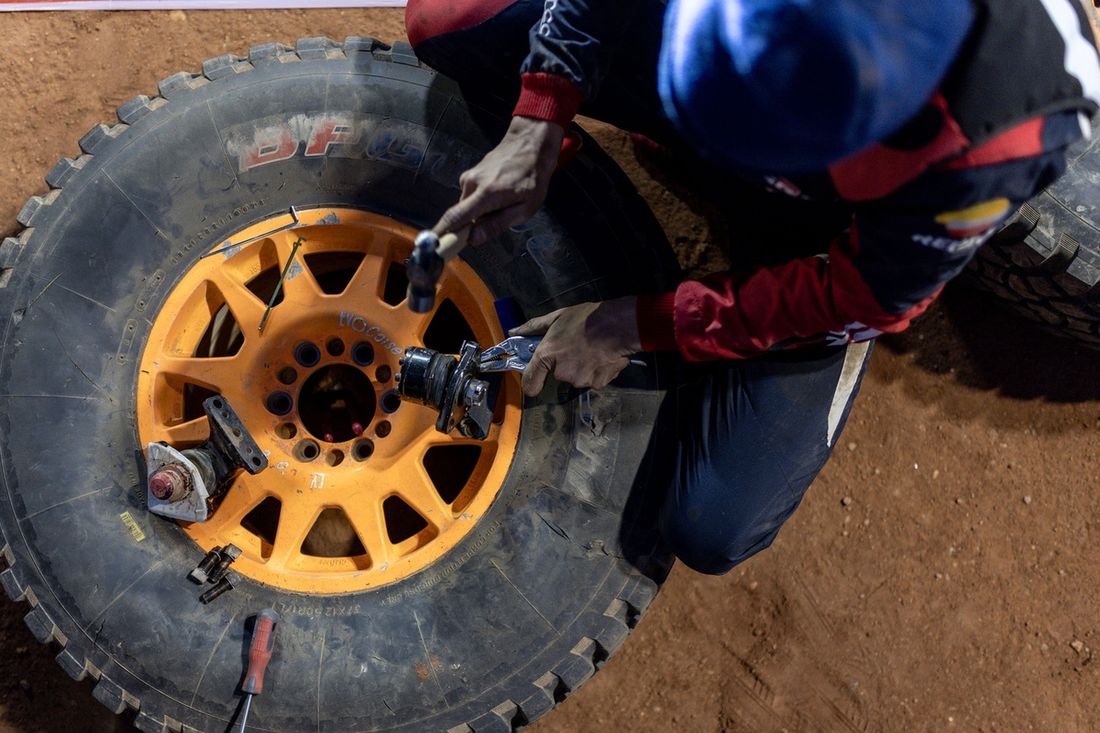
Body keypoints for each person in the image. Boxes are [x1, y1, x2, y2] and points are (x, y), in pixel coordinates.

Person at [404, 0, 1100, 574]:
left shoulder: (1012, 124)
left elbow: (857, 295)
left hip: (831, 233)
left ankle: (794, 231)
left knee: (711, 523)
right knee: (447, 22)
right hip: (702, 50)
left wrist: (634, 324)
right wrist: (538, 116)